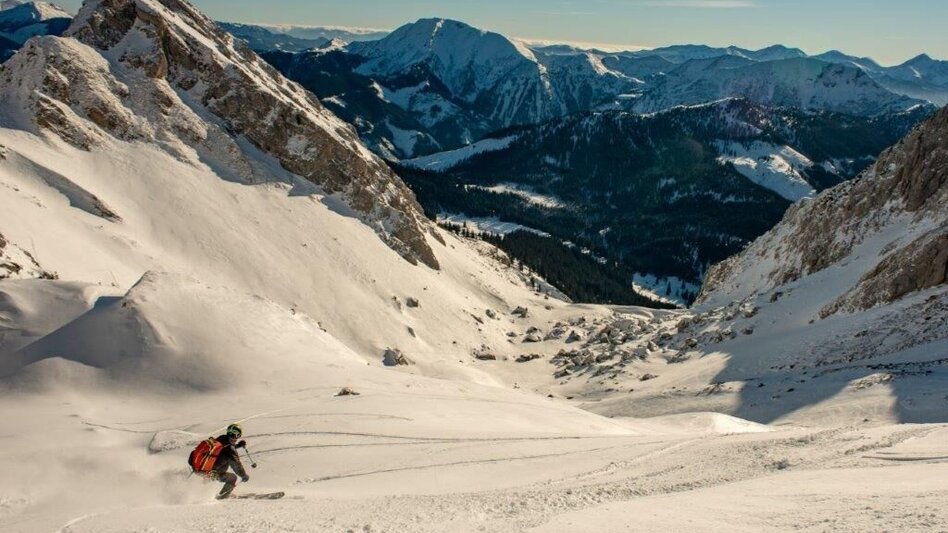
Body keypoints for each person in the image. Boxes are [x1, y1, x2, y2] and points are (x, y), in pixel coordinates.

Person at [209, 423, 250, 499]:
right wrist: (243, 475)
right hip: (215, 473)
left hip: (206, 467)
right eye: (238, 435)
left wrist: (238, 445)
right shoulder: (230, 450)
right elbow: (236, 465)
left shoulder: (222, 438)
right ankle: (222, 497)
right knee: (233, 478)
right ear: (236, 435)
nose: (237, 438)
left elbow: (224, 449)